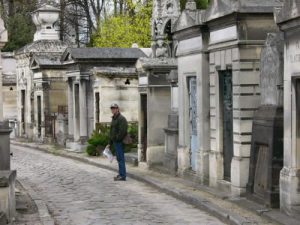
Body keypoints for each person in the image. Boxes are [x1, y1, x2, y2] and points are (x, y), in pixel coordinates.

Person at [108, 103, 128, 181]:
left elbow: (123, 131)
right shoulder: (114, 118)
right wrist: (109, 142)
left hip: (119, 142)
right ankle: (120, 174)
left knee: (121, 158)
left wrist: (117, 139)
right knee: (119, 158)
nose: (113, 110)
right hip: (115, 142)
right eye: (112, 108)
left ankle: (123, 175)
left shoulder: (121, 118)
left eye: (114, 108)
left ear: (117, 109)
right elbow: (111, 131)